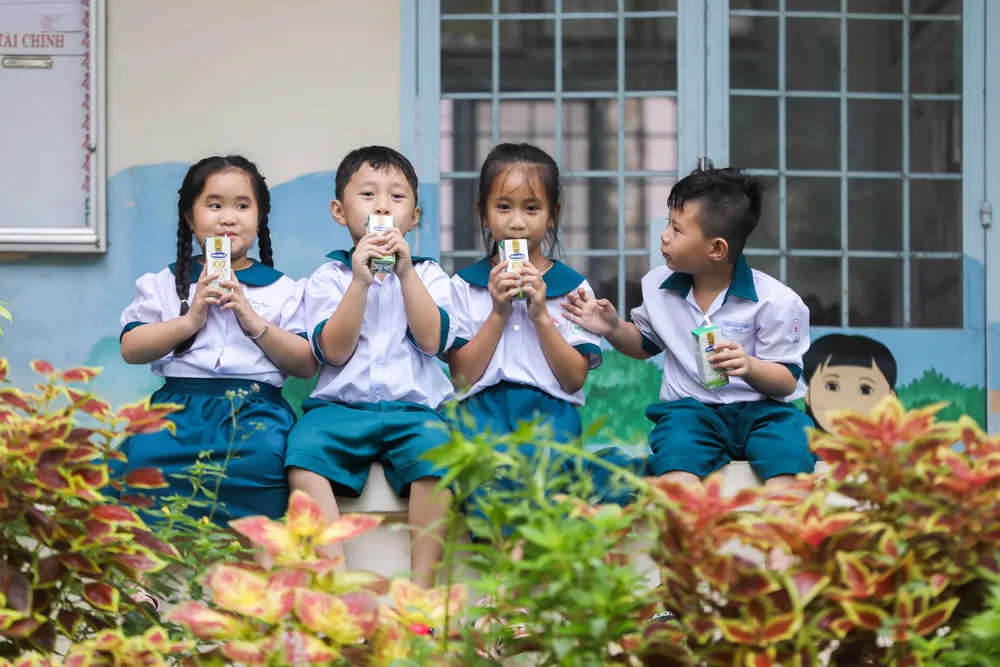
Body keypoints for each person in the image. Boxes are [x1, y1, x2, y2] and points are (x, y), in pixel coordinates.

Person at [449, 142, 645, 541]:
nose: (517, 222)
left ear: (553, 215)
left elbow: (574, 379)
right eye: (503, 207)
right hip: (481, 413)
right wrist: (499, 311)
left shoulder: (573, 289)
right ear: (482, 212)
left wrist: (540, 314)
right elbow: (462, 377)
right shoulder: (463, 286)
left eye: (532, 208)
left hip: (550, 415)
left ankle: (515, 583)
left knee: (551, 471)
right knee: (489, 472)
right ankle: (506, 582)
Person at [285, 146, 454, 588]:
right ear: (340, 211)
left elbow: (433, 341)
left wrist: (405, 274)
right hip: (339, 410)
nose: (382, 206)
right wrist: (360, 280)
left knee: (439, 463)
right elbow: (333, 351)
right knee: (303, 456)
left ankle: (421, 594)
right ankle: (334, 585)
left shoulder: (430, 275)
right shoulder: (329, 277)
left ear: (413, 218)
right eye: (368, 195)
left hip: (413, 412)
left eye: (396, 197)